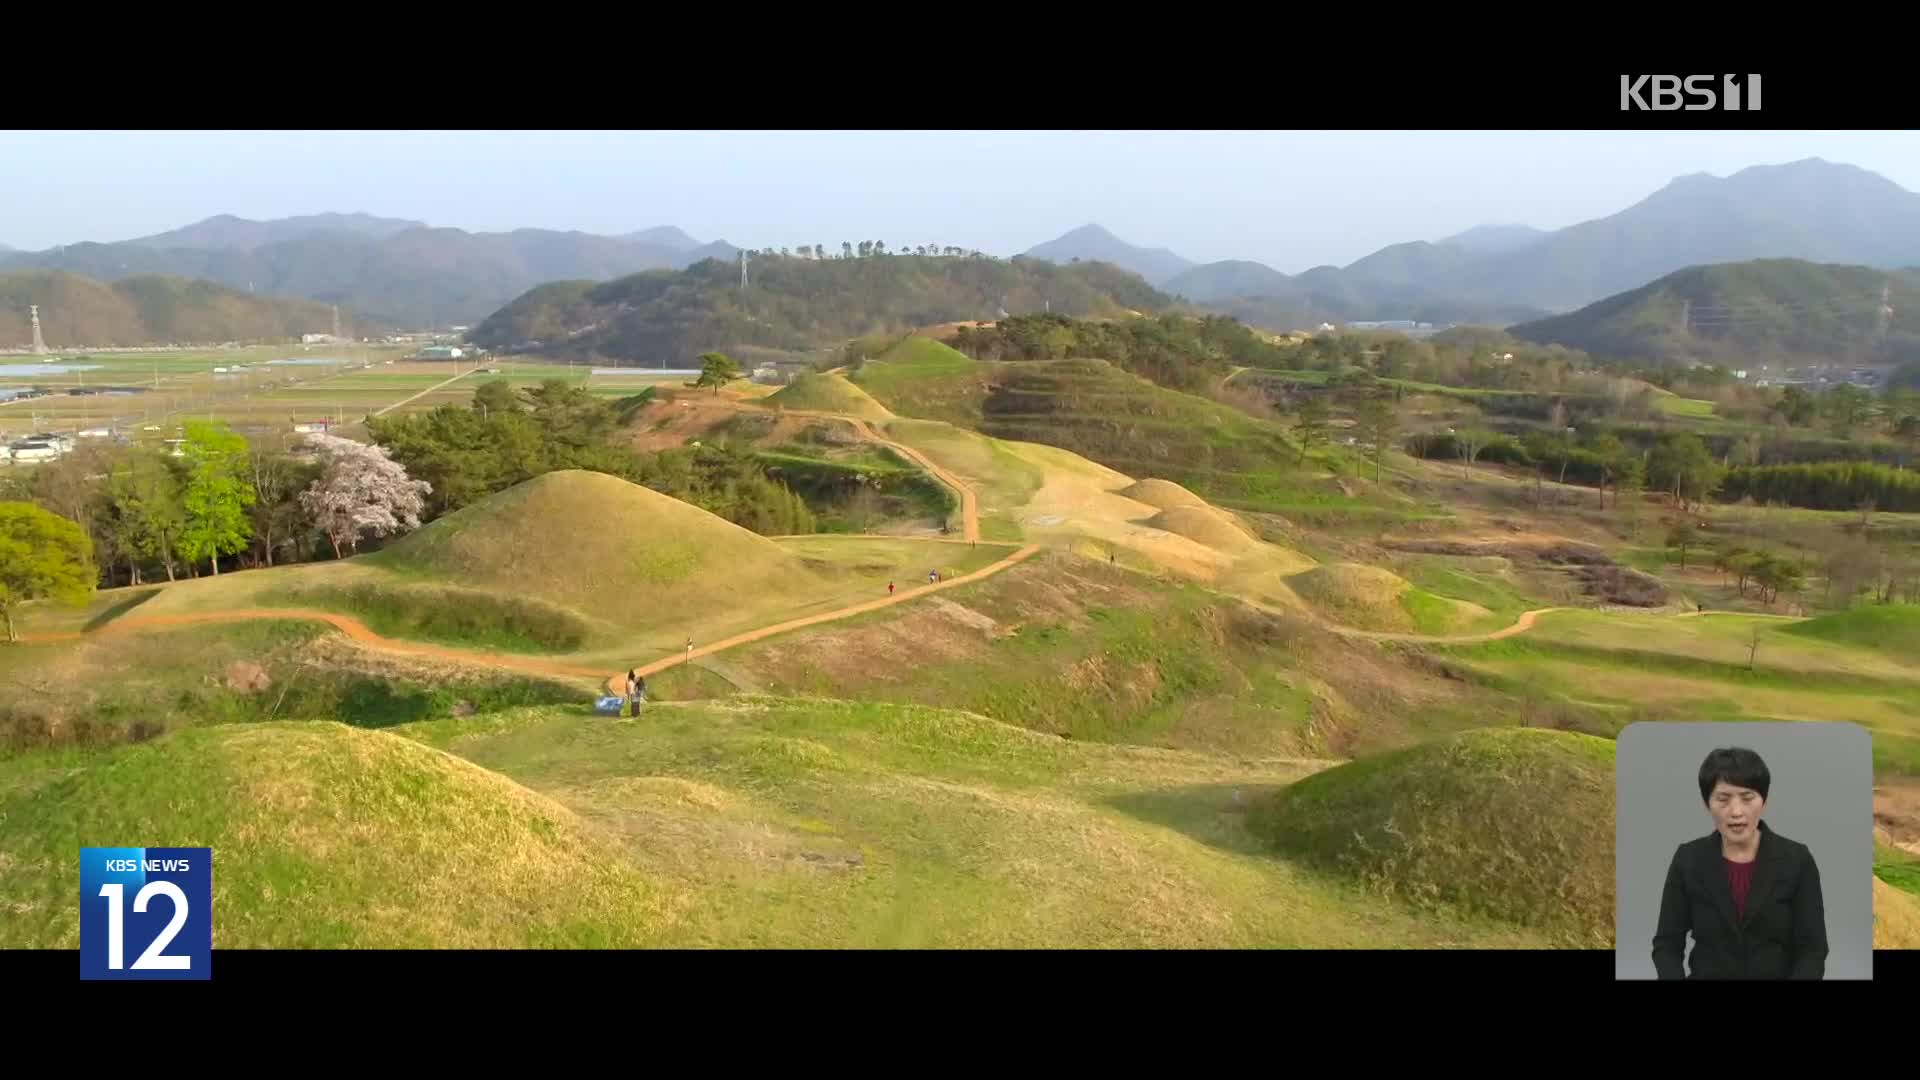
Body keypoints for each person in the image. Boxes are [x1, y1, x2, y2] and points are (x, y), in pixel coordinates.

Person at [1651, 746, 1827, 979]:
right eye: (1723, 799)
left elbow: (1813, 949)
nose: (1736, 811)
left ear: (1764, 801)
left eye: (1747, 798)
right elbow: (1666, 946)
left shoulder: (1797, 860)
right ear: (1707, 803)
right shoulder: (1688, 860)